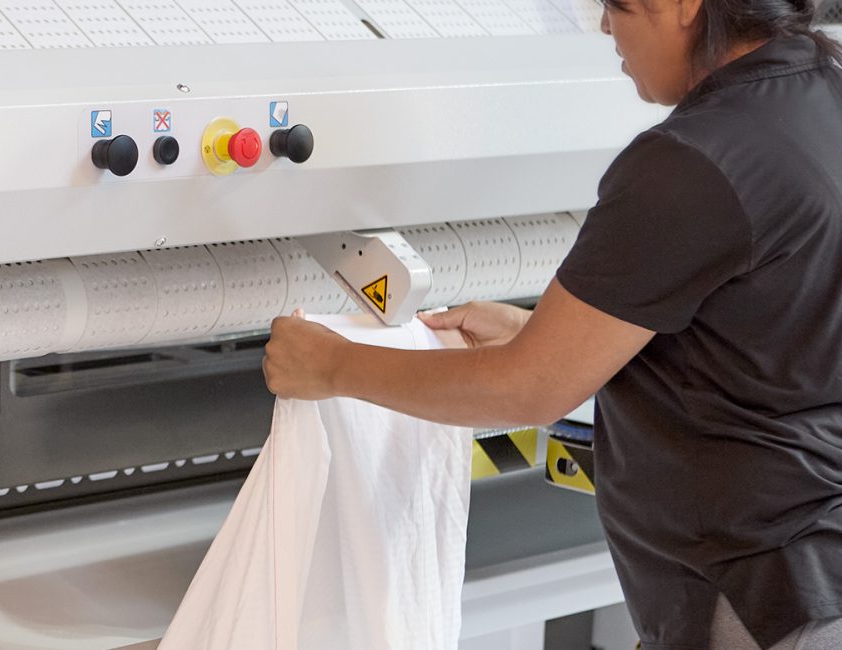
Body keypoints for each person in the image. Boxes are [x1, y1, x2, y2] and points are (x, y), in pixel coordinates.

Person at [263, 0, 842, 648]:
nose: (604, 26)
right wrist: (550, 335)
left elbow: (529, 390)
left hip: (765, 591)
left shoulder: (696, 160)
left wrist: (332, 365)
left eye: (617, 5)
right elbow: (770, 332)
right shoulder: (824, 91)